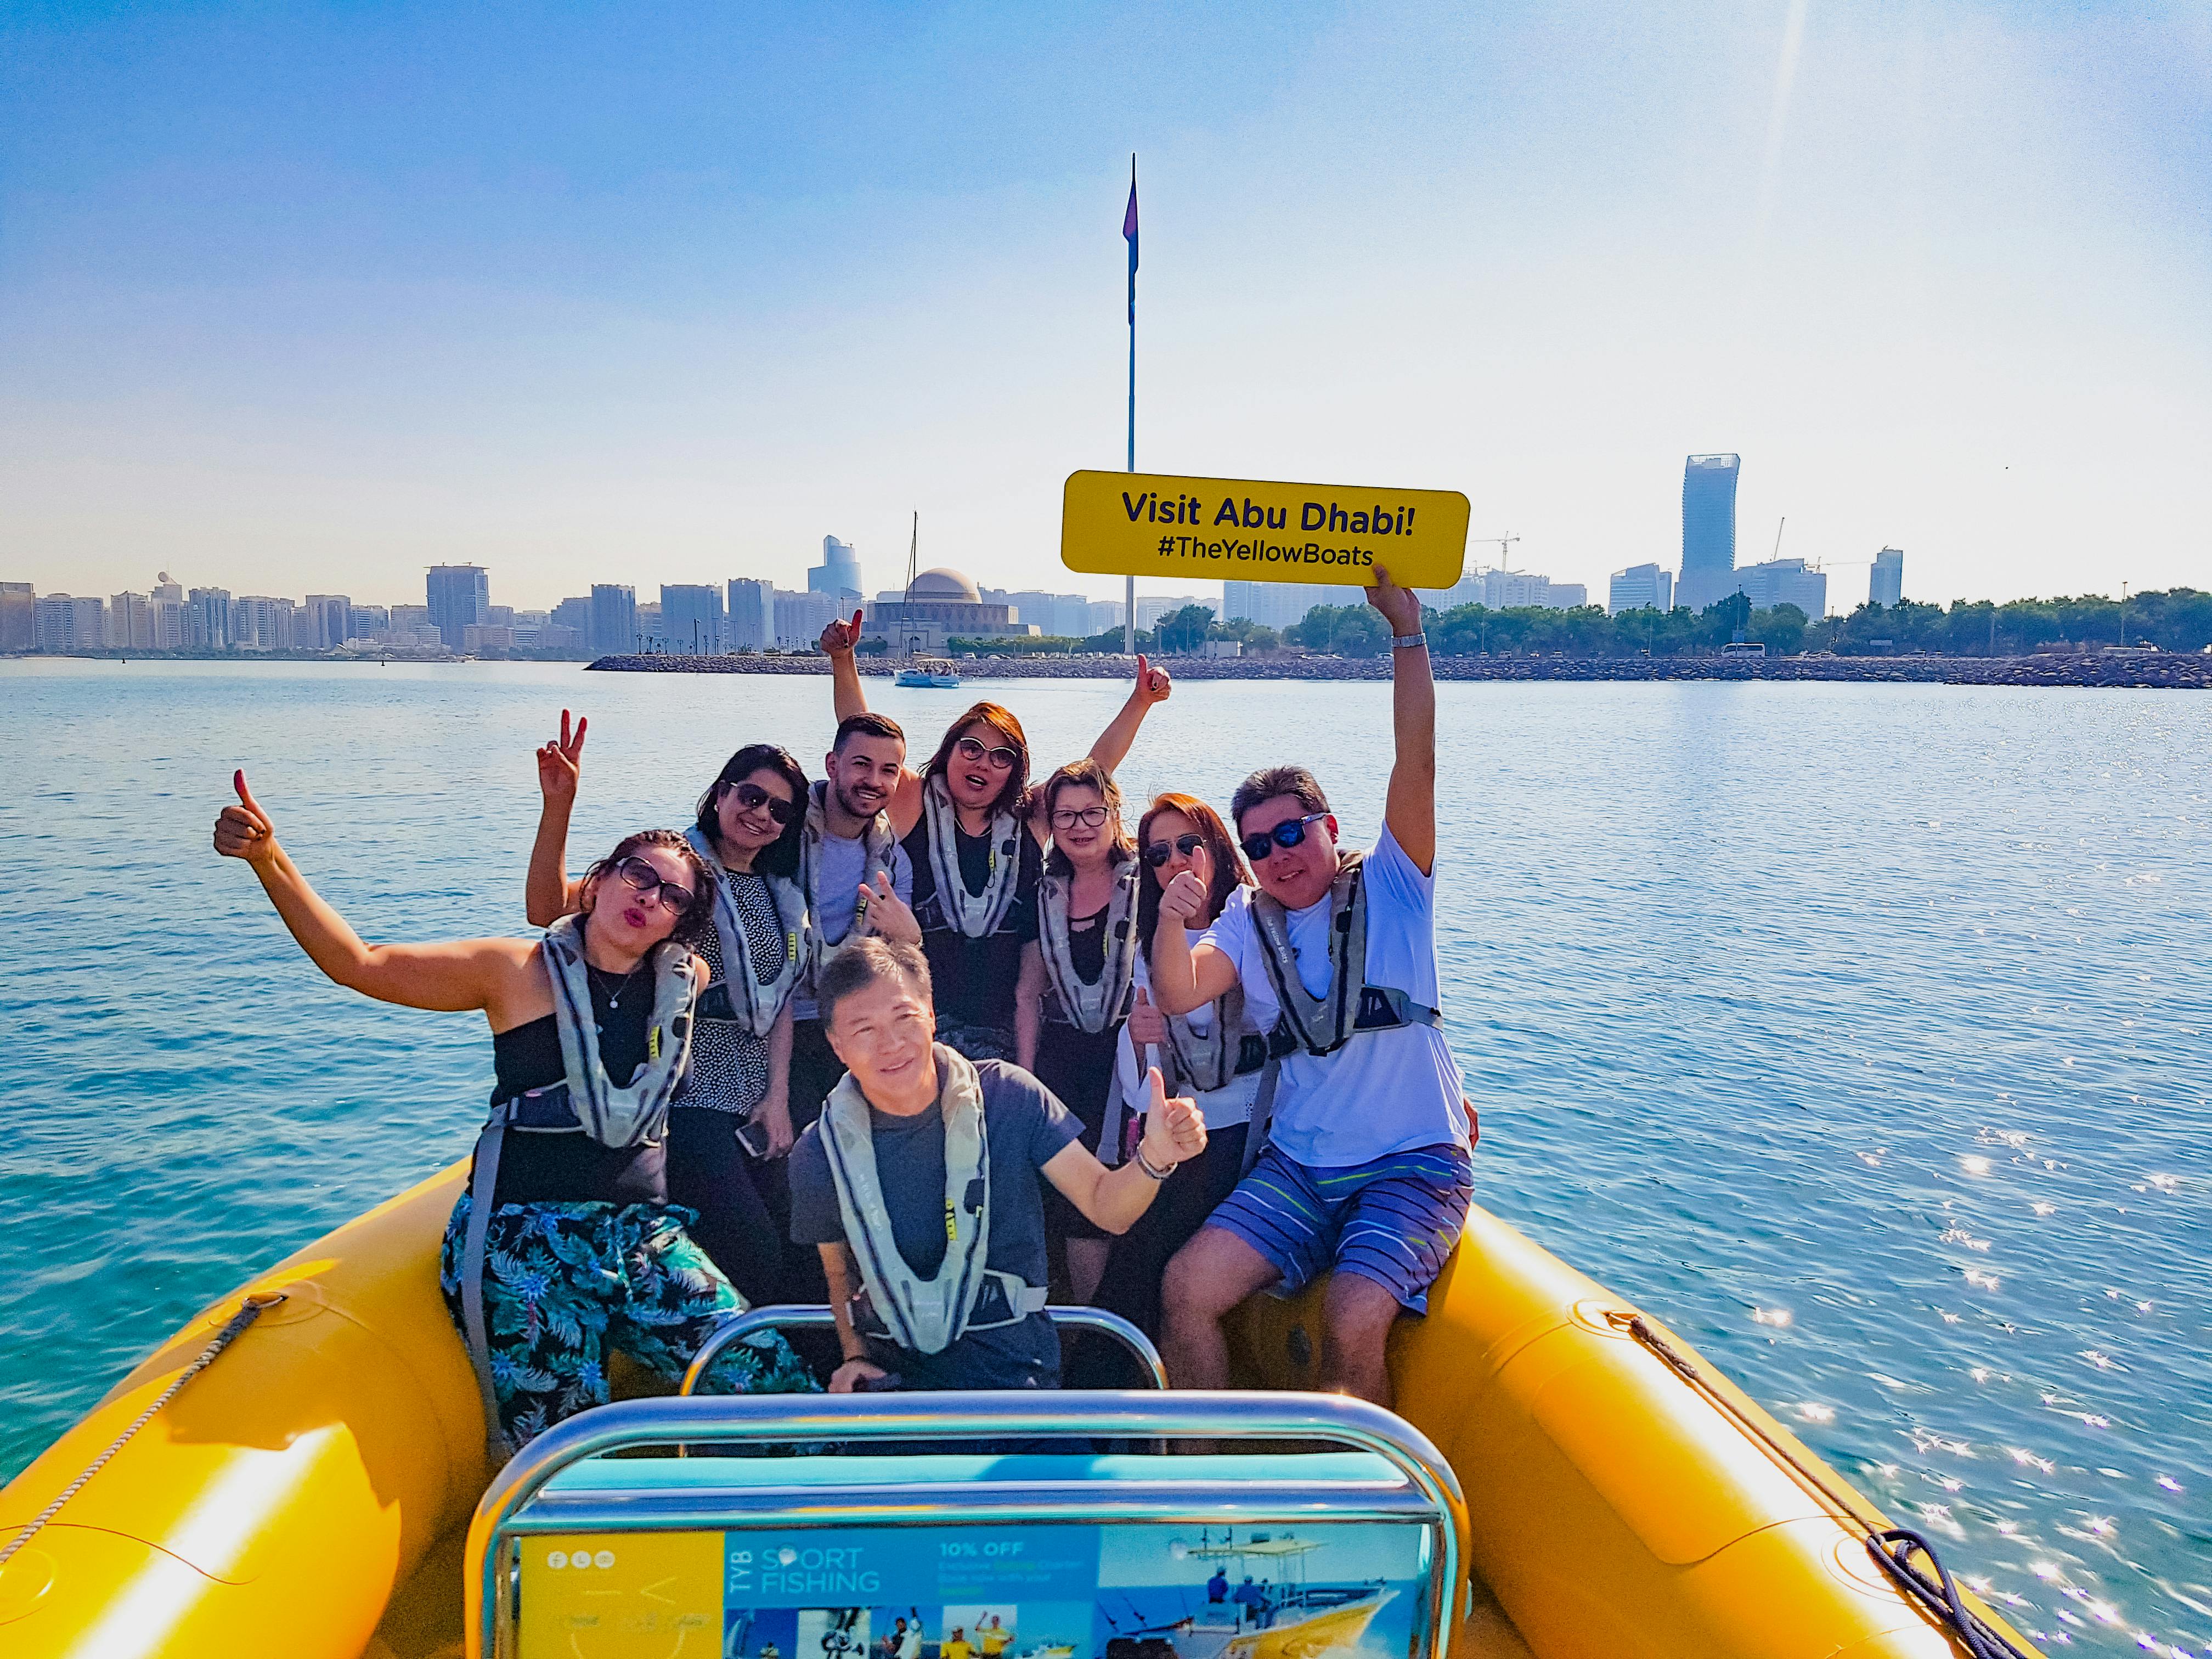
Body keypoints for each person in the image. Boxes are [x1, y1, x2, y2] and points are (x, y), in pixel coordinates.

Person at [212, 772, 813, 1455]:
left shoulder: (685, 981)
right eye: (638, 875)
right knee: (564, 1448)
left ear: (682, 926)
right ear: (598, 883)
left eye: (673, 896)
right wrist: (270, 860)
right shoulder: (514, 972)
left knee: (773, 1376)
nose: (650, 896)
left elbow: (776, 986)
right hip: (523, 1244)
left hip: (642, 1241)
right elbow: (360, 963)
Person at [1149, 570, 1476, 1408]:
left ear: (1331, 828)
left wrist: (1406, 630)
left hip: (1410, 1165)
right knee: (1185, 1288)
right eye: (1259, 845)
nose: (1279, 854)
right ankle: (1206, 1482)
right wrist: (1172, 917)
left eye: (1294, 832)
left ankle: (1351, 1505)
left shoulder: (1397, 885)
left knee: (1356, 1315)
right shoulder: (1243, 926)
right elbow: (1182, 993)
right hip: (1301, 1167)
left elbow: (1420, 758)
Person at [526, 724, 871, 1305]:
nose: (762, 815)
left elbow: (781, 1000)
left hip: (757, 1098)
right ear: (721, 794)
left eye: (780, 810)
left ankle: (814, 1382)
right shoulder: (674, 878)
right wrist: (558, 806)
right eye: (751, 797)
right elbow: (545, 906)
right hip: (686, 1096)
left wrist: (778, 1098)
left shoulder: (779, 894)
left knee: (815, 1247)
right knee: (754, 1248)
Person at [786, 936, 1205, 1393]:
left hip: (1017, 1381)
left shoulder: (1010, 1095)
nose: (890, 1044)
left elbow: (1108, 1208)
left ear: (930, 1014)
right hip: (896, 1391)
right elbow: (838, 1273)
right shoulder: (817, 1151)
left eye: (904, 1017)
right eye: (864, 1029)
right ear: (836, 1045)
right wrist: (854, 1356)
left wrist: (1156, 1158)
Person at [819, 612, 1171, 1065]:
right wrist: (843, 660)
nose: (983, 765)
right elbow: (864, 740)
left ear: (1015, 770)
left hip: (1012, 1025)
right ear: (950, 752)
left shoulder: (1030, 816)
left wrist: (1140, 701)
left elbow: (1094, 770)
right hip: (925, 1023)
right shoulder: (915, 804)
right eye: (971, 749)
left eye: (1001, 756)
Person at [1092, 794, 1263, 1341]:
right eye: (1159, 854)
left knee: (1148, 1253)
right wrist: (1141, 1041)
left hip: (1250, 1133)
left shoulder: (1259, 925)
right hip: (1182, 1132)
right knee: (1134, 1253)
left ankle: (1103, 1395)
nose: (1176, 862)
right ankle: (1104, 1397)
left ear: (1216, 848)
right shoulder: (1148, 949)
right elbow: (1142, 1091)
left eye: (1190, 845)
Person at [1027, 759, 1143, 1304]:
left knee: (1119, 1185)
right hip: (1063, 1060)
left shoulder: (1149, 881)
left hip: (1131, 1061)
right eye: (1065, 815)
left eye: (1092, 812)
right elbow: (1028, 993)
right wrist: (1024, 1079)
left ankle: (1111, 1332)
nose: (1079, 826)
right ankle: (1082, 1326)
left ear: (1115, 812)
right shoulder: (1045, 892)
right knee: (1068, 1199)